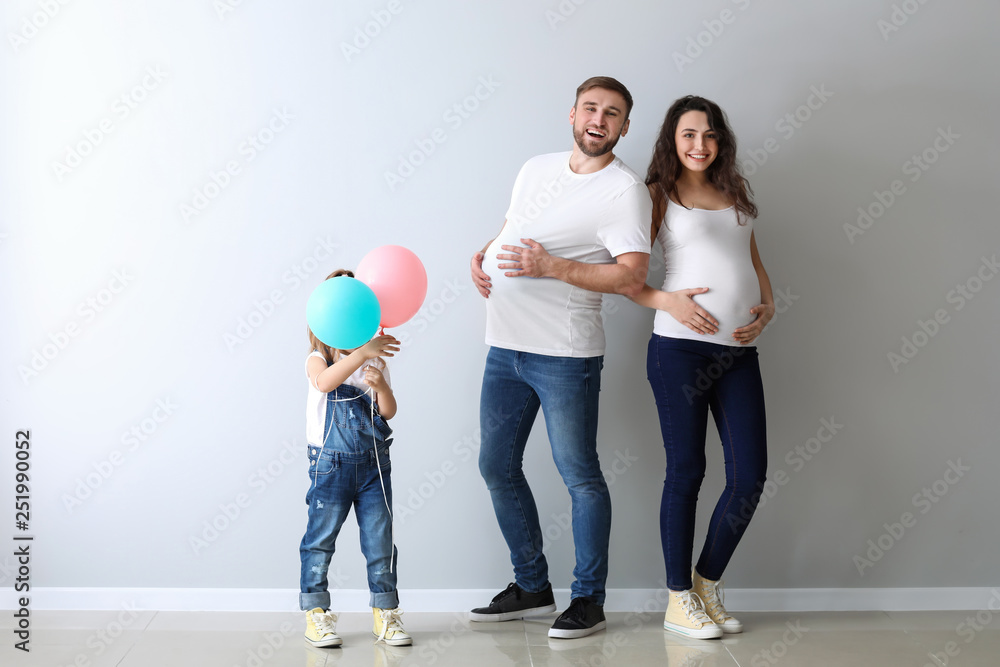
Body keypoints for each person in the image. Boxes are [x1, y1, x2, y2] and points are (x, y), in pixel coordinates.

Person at [468, 76, 652, 639]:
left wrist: (553, 268)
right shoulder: (535, 168)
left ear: (624, 126)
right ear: (572, 114)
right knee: (496, 465)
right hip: (505, 345)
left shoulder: (625, 191)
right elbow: (512, 229)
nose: (599, 119)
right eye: (591, 108)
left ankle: (589, 599)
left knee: (580, 476)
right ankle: (531, 585)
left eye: (613, 113)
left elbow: (632, 274)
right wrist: (485, 252)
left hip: (564, 354)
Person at [632, 96, 773, 639]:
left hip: (738, 352)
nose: (700, 145)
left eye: (710, 135)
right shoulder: (657, 196)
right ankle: (676, 598)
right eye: (689, 134)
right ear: (673, 139)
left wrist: (769, 304)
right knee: (686, 472)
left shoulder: (733, 191)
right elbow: (626, 276)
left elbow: (752, 260)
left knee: (748, 477)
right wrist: (668, 301)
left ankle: (706, 582)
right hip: (679, 351)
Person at [298, 269, 412, 647]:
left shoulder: (375, 361)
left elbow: (388, 412)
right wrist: (362, 354)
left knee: (380, 540)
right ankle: (316, 614)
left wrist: (380, 385)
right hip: (330, 465)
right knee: (320, 539)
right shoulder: (318, 358)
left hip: (374, 464)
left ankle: (385, 613)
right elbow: (325, 382)